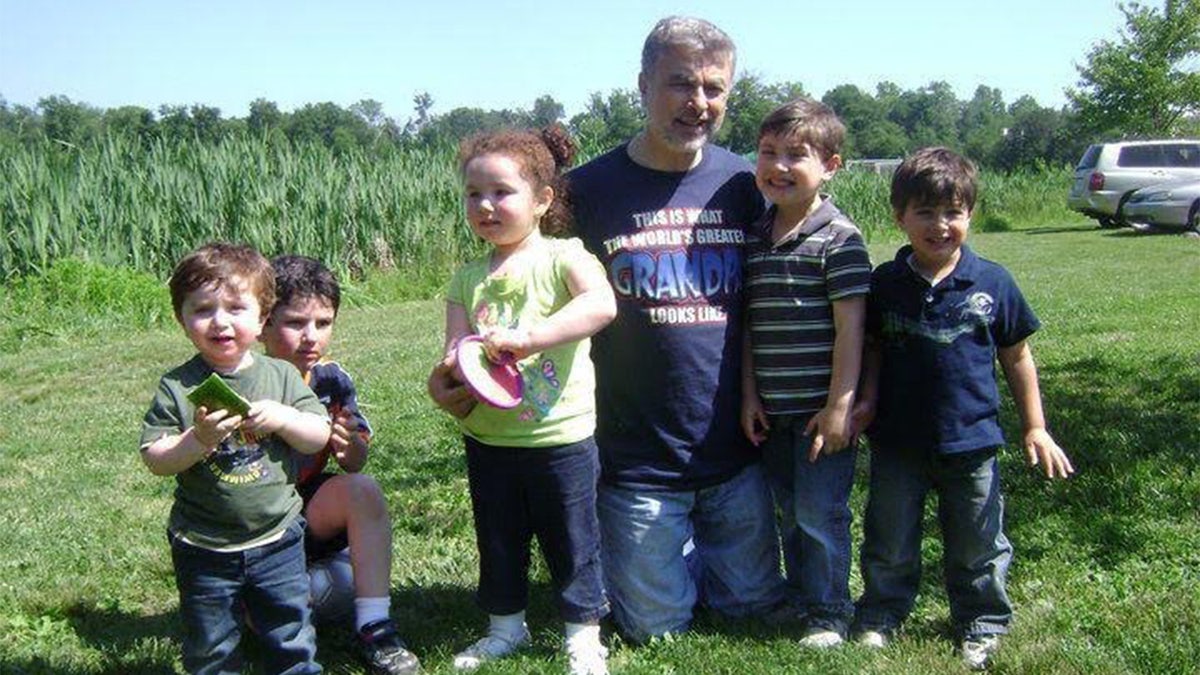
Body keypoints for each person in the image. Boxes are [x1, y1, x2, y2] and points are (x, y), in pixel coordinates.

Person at [566, 16, 785, 642]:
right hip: (636, 463)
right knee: (658, 630)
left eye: (715, 89)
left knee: (747, 610)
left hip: (735, 456)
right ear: (643, 85)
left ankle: (692, 554)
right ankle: (662, 554)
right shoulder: (587, 191)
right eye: (681, 84)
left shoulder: (747, 183)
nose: (699, 103)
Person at [850, 147, 1075, 669]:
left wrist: (1035, 427)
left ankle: (982, 621)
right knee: (889, 539)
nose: (940, 225)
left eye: (953, 212)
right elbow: (875, 351)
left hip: (972, 443)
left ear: (970, 214)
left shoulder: (992, 283)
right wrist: (864, 402)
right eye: (925, 212)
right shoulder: (884, 283)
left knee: (978, 542)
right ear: (899, 216)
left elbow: (1018, 355)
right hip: (897, 442)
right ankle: (882, 613)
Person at [430, 126, 617, 675]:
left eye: (502, 192)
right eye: (473, 194)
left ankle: (583, 634)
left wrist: (531, 339)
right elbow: (455, 355)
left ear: (542, 200)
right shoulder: (466, 278)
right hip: (488, 439)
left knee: (573, 539)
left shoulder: (564, 257)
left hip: (561, 437)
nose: (486, 205)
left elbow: (601, 305)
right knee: (499, 537)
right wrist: (444, 387)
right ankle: (504, 628)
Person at [139, 242, 330, 674]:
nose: (220, 321)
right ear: (182, 319)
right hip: (204, 545)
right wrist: (198, 439)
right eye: (203, 309)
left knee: (291, 632)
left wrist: (283, 418)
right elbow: (155, 458)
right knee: (211, 645)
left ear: (262, 318)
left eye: (236, 308)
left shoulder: (280, 375)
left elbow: (317, 437)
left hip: (277, 539)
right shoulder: (177, 385)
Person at [740, 99, 871, 647]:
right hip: (773, 406)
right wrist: (749, 395)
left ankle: (830, 611)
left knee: (821, 513)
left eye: (797, 155)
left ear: (831, 165)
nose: (780, 166)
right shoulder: (754, 235)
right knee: (789, 510)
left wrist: (840, 406)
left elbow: (852, 330)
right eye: (769, 153)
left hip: (822, 410)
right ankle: (800, 596)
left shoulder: (841, 239)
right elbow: (747, 324)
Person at [261, 254, 420, 675]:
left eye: (323, 323)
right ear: (263, 322)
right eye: (296, 323)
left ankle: (375, 627)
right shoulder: (244, 381)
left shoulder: (332, 380)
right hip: (252, 521)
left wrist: (350, 449)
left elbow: (355, 460)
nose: (311, 337)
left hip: (306, 509)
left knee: (363, 489)